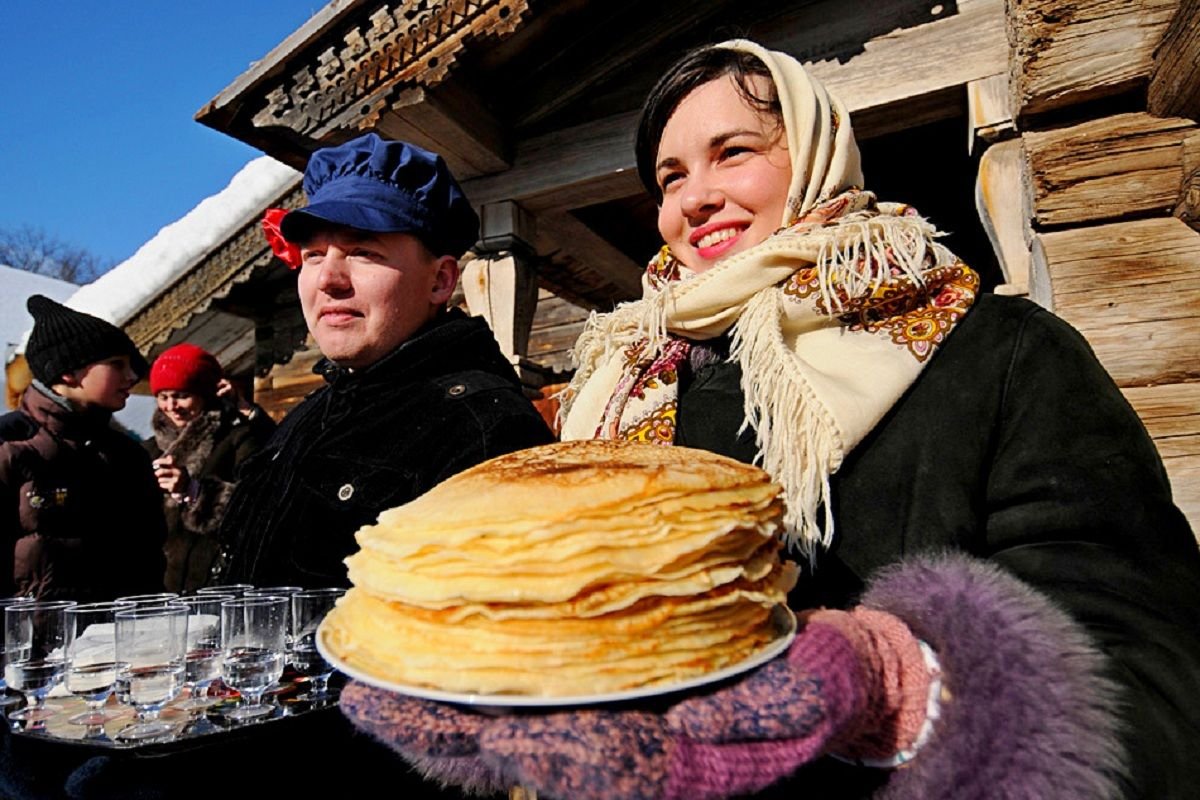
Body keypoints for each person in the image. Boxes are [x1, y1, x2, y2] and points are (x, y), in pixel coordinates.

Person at [340, 41, 1200, 799]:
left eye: (735, 153)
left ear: (819, 155)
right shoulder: (626, 373)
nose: (695, 199)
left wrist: (896, 693)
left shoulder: (997, 351)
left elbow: (1145, 659)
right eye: (671, 177)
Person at [215, 132, 554, 590]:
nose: (329, 279)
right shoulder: (309, 415)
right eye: (313, 256)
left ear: (440, 281)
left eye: (363, 253)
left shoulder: (484, 429)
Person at [0, 295, 166, 601]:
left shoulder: (128, 454)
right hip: (30, 644)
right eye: (117, 364)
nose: (132, 377)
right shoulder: (9, 445)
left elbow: (150, 556)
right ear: (69, 371)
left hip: (125, 640)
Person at [144, 342, 275, 593]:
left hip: (218, 582)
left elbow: (256, 503)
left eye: (182, 395)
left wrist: (194, 491)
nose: (171, 406)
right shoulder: (149, 449)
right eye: (163, 397)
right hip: (160, 585)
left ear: (205, 394)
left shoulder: (237, 438)